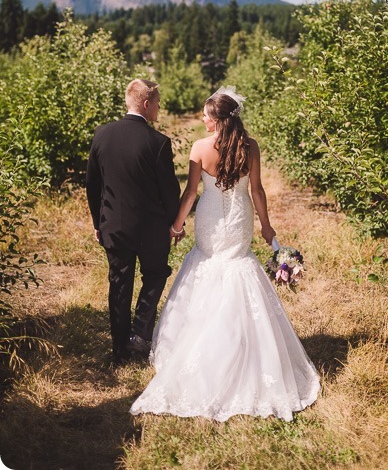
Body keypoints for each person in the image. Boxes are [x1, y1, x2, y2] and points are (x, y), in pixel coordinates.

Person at [130, 86, 320, 421]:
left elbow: (191, 192)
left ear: (217, 120)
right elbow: (257, 190)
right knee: (236, 266)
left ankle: (201, 347)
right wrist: (266, 226)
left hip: (209, 219)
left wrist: (176, 225)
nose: (202, 119)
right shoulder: (250, 147)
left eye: (206, 114)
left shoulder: (200, 148)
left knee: (207, 265)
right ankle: (240, 346)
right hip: (239, 218)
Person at [86, 79, 182, 367]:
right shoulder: (158, 142)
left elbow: (92, 184)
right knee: (155, 275)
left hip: (113, 225)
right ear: (146, 103)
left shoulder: (102, 134)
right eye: (157, 102)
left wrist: (97, 221)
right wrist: (175, 222)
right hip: (151, 229)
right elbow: (170, 190)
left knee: (119, 283)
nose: (160, 107)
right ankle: (140, 333)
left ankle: (119, 350)